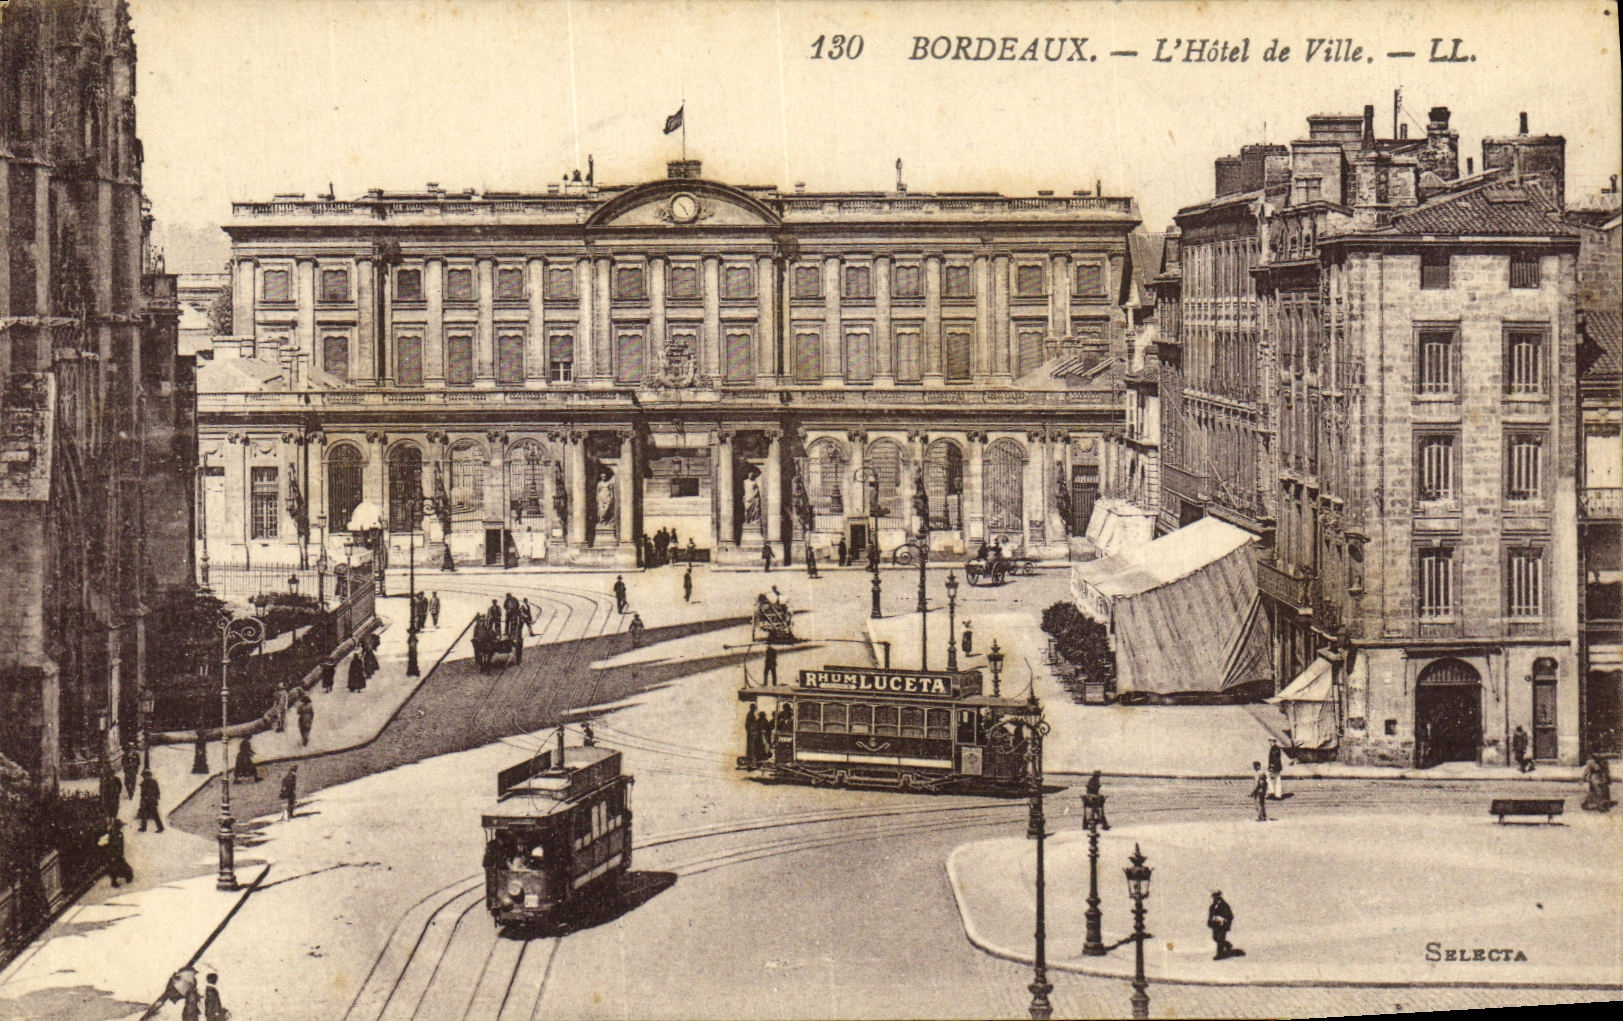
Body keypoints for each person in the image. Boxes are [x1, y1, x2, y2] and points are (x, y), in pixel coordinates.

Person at [1208, 891, 1242, 960]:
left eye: (1217, 897)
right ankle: (1228, 945)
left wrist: (1225, 921)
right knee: (1215, 938)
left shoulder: (1225, 905)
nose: (1215, 898)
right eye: (1214, 897)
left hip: (1223, 926)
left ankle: (1219, 954)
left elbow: (1230, 916)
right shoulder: (1212, 907)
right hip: (1215, 925)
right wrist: (1210, 922)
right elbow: (1211, 916)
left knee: (1220, 939)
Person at [104, 819, 134, 887]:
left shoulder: (113, 833)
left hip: (115, 855)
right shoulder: (116, 834)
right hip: (115, 855)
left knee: (115, 869)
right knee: (123, 869)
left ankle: (115, 881)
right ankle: (123, 880)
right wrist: (116, 854)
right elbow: (114, 845)